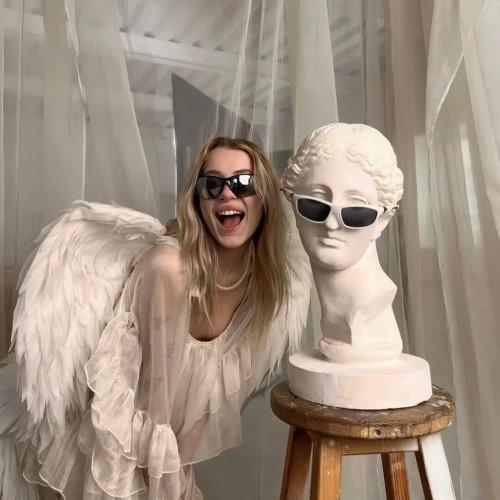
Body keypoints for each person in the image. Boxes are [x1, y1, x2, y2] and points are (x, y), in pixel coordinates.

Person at [0, 137, 311, 499]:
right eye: (212, 185)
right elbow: (153, 398)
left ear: (265, 198)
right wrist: (167, 481)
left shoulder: (263, 284)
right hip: (102, 444)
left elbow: (213, 390)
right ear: (199, 202)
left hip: (159, 450)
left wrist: (181, 468)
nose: (227, 193)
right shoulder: (169, 268)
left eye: (243, 183)